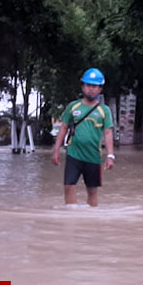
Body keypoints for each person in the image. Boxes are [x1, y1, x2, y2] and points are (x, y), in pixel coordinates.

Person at [51, 68, 115, 207]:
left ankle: (91, 221)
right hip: (74, 154)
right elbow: (63, 128)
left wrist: (110, 156)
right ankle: (71, 217)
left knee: (92, 191)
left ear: (100, 89)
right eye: (88, 85)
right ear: (82, 87)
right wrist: (56, 150)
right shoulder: (73, 107)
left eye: (94, 86)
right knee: (69, 186)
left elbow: (108, 133)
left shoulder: (104, 110)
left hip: (93, 156)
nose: (90, 89)